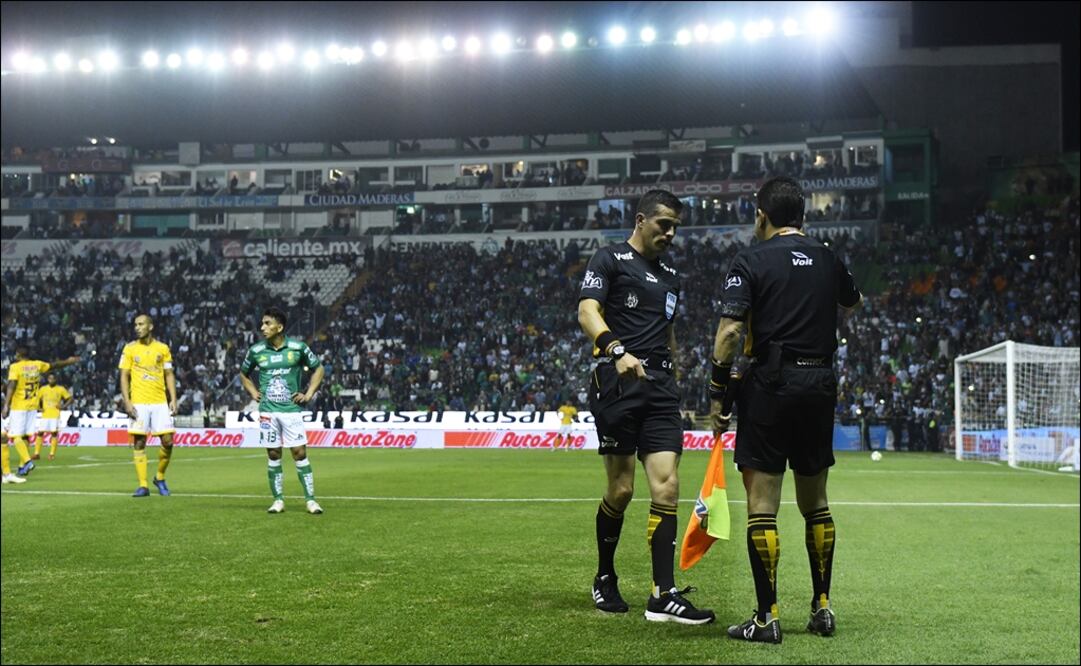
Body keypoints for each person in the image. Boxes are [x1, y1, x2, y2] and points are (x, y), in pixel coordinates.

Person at [709, 177, 862, 643]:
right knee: (816, 503)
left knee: (763, 505)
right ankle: (822, 608)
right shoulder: (828, 257)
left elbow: (730, 332)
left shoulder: (751, 259)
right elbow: (853, 302)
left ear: (761, 215)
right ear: (804, 217)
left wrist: (717, 390)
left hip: (771, 385)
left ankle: (766, 618)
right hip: (819, 384)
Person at [578, 188, 714, 625]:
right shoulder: (609, 259)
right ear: (641, 220)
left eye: (675, 227)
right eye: (664, 225)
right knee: (621, 490)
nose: (671, 233)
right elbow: (587, 311)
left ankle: (663, 593)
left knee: (667, 486)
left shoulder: (672, 276)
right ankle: (604, 576)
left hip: (660, 389)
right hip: (618, 383)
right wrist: (616, 350)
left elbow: (667, 332)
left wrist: (675, 372)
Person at [239, 306, 325, 515]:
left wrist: (308, 394)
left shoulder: (298, 348)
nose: (262, 327)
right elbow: (243, 373)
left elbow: (319, 369)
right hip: (268, 412)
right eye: (262, 323)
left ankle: (311, 500)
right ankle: (278, 500)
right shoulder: (256, 351)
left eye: (267, 323)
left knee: (299, 453)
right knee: (273, 453)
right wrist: (253, 392)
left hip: (291, 411)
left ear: (280, 327)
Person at [119, 314, 178, 497]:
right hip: (139, 402)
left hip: (160, 401)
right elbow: (124, 376)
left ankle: (159, 477)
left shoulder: (163, 348)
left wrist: (173, 399)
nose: (137, 328)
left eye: (141, 324)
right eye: (135, 325)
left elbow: (169, 374)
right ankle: (143, 485)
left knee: (168, 441)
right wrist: (127, 401)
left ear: (150, 327)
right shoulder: (129, 348)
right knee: (139, 442)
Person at [2, 347, 80, 480]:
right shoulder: (37, 365)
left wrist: (6, 405)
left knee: (15, 436)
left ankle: (27, 461)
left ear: (18, 355)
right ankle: (22, 467)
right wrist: (68, 361)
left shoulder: (15, 367)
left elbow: (11, 385)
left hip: (19, 406)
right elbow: (54, 365)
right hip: (32, 406)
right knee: (25, 437)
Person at [34, 373, 73, 461]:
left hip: (55, 415)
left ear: (55, 379)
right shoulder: (43, 389)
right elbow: (36, 399)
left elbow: (70, 398)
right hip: (45, 415)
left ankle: (51, 454)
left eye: (53, 379)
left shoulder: (60, 389)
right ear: (48, 379)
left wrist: (63, 406)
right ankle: (36, 453)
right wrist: (38, 408)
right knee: (40, 433)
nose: (51, 380)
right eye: (49, 378)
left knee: (54, 434)